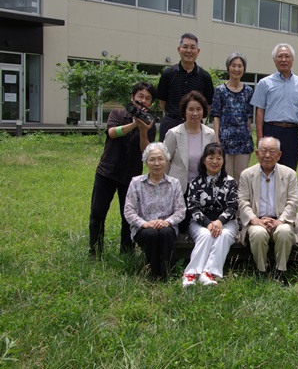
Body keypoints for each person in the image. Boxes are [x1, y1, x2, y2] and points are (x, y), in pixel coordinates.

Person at [88, 82, 156, 259]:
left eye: (148, 98)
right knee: (98, 213)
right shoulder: (117, 113)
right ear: (132, 97)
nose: (143, 101)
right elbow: (112, 133)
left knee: (128, 216)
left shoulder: (149, 124)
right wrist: (134, 124)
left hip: (131, 175)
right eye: (140, 96)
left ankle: (126, 252)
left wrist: (142, 130)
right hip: (107, 171)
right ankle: (95, 250)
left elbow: (146, 152)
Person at [238, 137, 298, 285]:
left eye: (272, 152)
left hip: (280, 219)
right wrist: (255, 220)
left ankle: (280, 271)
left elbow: (293, 201)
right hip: (256, 220)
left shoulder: (289, 174)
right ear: (257, 153)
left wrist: (281, 220)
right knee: (258, 233)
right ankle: (261, 271)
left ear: (279, 155)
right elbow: (242, 201)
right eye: (264, 151)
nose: (267, 155)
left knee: (284, 231)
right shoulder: (247, 174)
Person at [124, 142, 186, 280]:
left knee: (165, 233)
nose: (156, 163)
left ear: (167, 161)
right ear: (146, 162)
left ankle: (167, 273)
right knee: (151, 234)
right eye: (152, 159)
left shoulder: (174, 183)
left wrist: (167, 222)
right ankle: (153, 273)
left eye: (160, 159)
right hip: (144, 227)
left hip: (167, 226)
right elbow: (129, 211)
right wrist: (144, 223)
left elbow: (181, 210)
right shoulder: (136, 183)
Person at [182, 143, 239, 287]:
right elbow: (192, 207)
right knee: (206, 235)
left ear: (224, 161)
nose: (215, 161)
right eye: (211, 157)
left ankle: (209, 273)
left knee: (223, 235)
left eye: (219, 158)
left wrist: (219, 222)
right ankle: (191, 273)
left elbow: (233, 206)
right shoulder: (195, 183)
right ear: (203, 160)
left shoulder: (231, 183)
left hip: (227, 222)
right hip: (200, 222)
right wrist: (208, 223)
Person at [251, 43, 298, 170]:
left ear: (292, 60)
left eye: (287, 56)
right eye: (280, 56)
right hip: (271, 130)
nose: (283, 60)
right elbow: (259, 112)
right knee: (268, 168)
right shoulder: (264, 83)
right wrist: (260, 138)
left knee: (290, 169)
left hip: (292, 132)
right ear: (274, 60)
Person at [157, 32, 214, 141]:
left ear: (198, 51)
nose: (189, 51)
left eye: (193, 47)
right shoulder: (168, 74)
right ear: (179, 49)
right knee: (166, 156)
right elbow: (162, 102)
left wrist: (194, 116)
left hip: (195, 126)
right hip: (171, 123)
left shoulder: (205, 77)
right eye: (185, 47)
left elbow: (208, 105)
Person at [164, 91, 217, 195]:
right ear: (184, 112)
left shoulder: (210, 134)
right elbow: (165, 162)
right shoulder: (173, 134)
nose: (195, 113)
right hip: (178, 188)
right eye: (191, 109)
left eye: (199, 109)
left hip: (202, 188)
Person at [212, 52, 254, 181]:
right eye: (233, 65)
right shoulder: (220, 90)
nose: (236, 69)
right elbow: (216, 117)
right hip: (225, 141)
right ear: (228, 68)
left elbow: (249, 118)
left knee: (241, 177)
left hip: (243, 142)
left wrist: (249, 135)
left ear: (244, 69)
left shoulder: (248, 91)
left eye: (240, 66)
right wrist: (217, 139)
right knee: (226, 177)